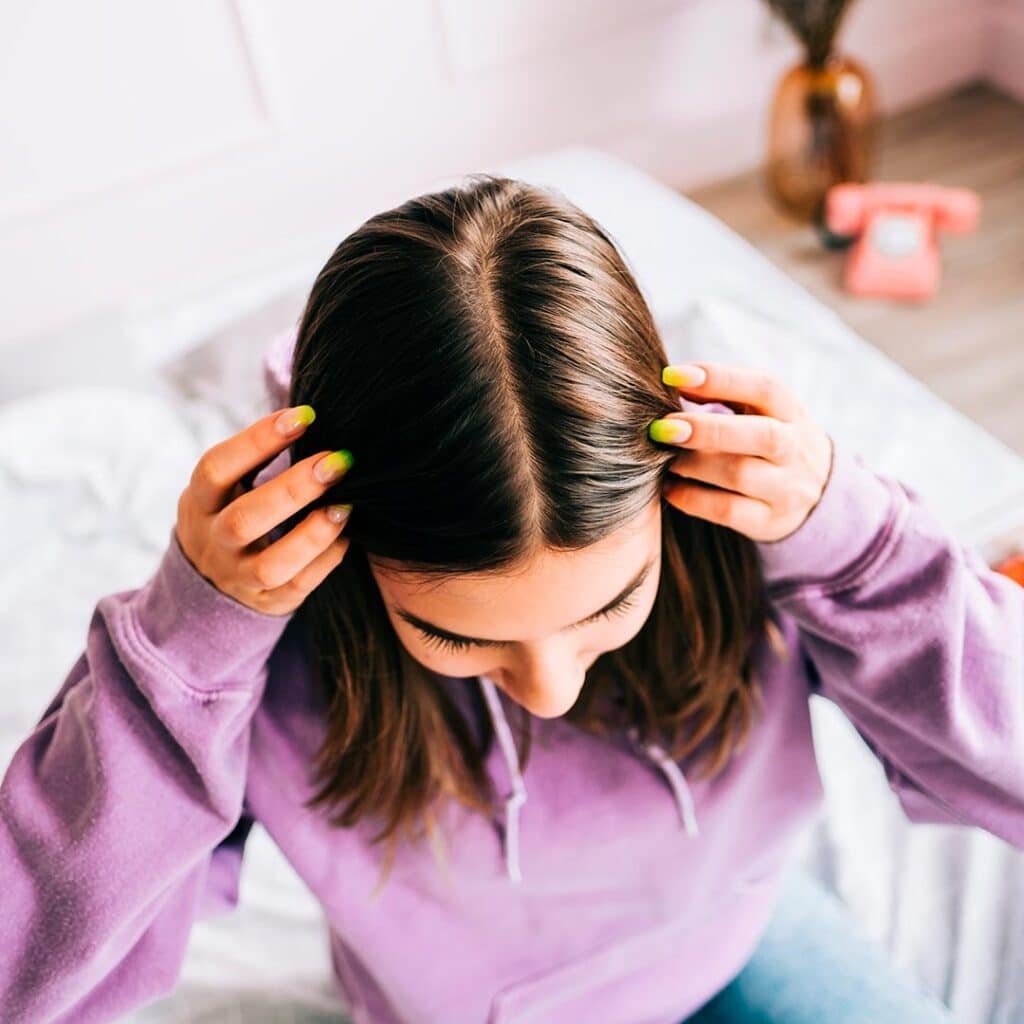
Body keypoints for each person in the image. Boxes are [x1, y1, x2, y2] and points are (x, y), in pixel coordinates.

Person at [1, 175, 1020, 1024]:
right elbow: (29, 974)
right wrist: (182, 656)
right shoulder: (262, 662)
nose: (549, 690)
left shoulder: (755, 536)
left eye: (610, 605)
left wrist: (867, 552)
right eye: (455, 633)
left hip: (736, 943)